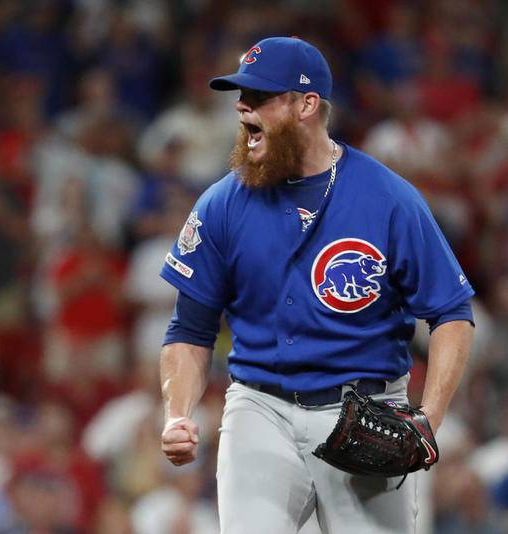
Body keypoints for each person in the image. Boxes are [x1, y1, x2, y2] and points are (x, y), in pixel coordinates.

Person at [158, 36, 475, 533]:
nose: (243, 106)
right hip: (260, 407)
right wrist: (177, 412)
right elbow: (190, 330)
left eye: (261, 97)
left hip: (368, 413)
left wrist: (428, 419)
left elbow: (452, 313)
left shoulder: (388, 199)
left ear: (307, 104)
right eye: (242, 96)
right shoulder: (223, 203)